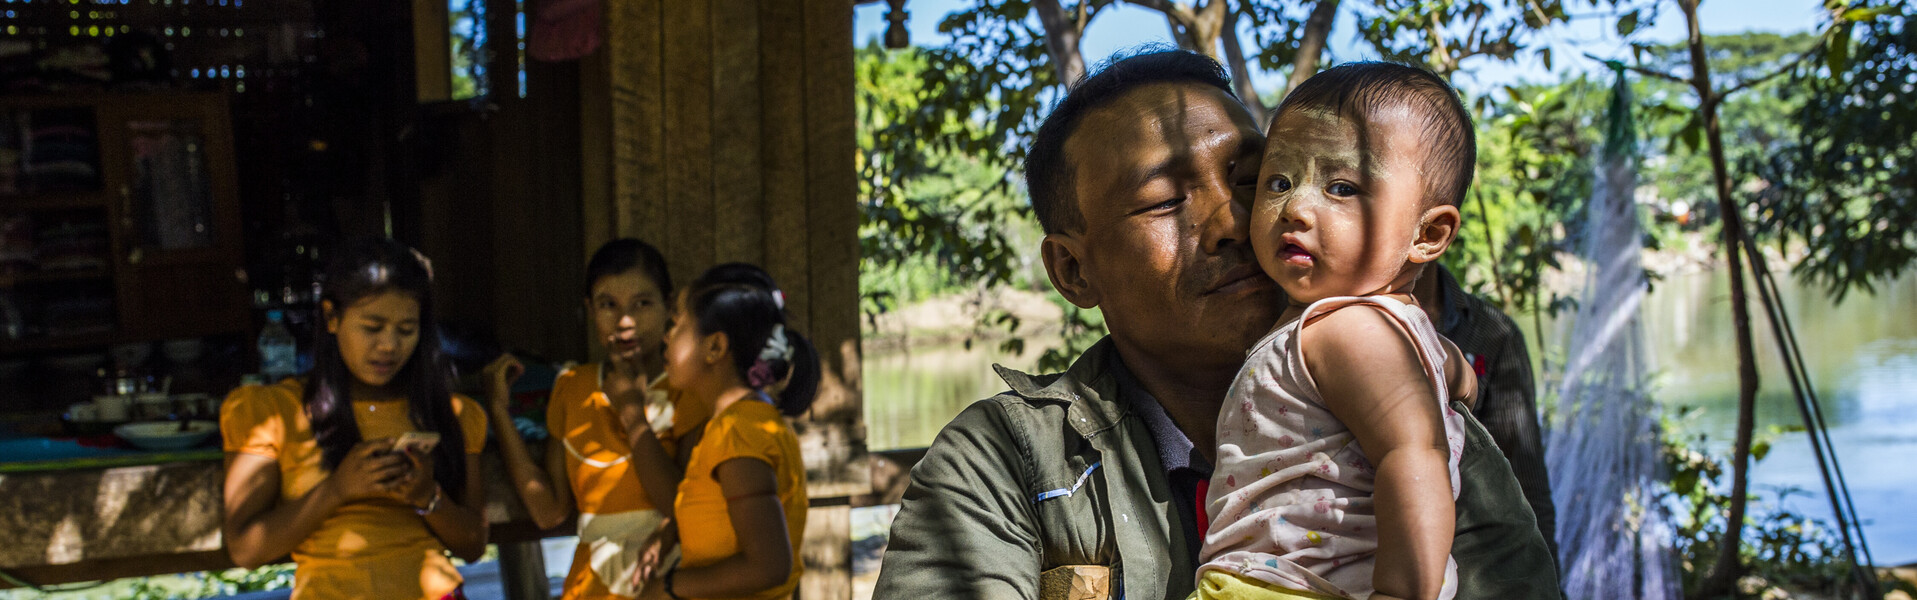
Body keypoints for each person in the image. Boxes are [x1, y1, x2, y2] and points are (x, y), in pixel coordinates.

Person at [875, 49, 1559, 600]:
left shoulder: (1403, 413)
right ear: (1073, 272)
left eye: (1252, 178)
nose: (1236, 222)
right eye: (1164, 201)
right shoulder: (1003, 460)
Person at [1194, 61, 1482, 600]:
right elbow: (1454, 379)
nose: (1296, 208)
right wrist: (1453, 368)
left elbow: (1414, 456)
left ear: (1429, 233)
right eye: (1278, 182)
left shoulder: (1346, 330)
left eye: (1343, 187)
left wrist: (1403, 592)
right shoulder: (1386, 332)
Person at [219, 237, 488, 600]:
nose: (389, 345)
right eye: (372, 328)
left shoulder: (448, 413)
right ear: (332, 317)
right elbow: (246, 549)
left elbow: (473, 546)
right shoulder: (274, 412)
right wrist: (337, 490)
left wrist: (428, 497)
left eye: (406, 330)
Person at [482, 238, 714, 600]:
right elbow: (548, 511)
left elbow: (680, 507)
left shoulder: (688, 389)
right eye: (608, 305)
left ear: (669, 306)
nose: (624, 321)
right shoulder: (573, 388)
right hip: (593, 585)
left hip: (666, 577)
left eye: (642, 304)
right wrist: (498, 411)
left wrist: (630, 411)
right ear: (589, 309)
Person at [632, 263, 819, 600]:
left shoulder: (738, 432)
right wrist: (672, 529)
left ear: (715, 347)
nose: (666, 336)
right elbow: (724, 510)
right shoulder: (745, 422)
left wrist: (668, 587)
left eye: (677, 324)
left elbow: (769, 565)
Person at [1414, 263, 1559, 562]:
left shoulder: (1492, 335)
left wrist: (1548, 583)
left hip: (1460, 561)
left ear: (1435, 232)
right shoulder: (1302, 310)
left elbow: (1524, 477)